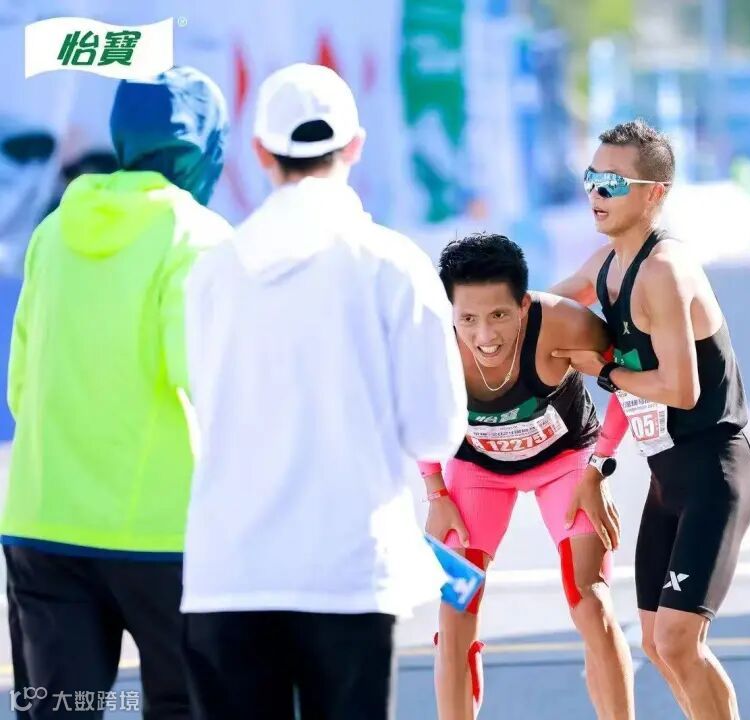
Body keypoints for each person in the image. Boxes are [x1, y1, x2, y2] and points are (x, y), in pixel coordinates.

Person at [179, 63, 467, 719]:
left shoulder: (212, 271)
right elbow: (435, 429)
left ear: (261, 152)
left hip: (227, 573)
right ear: (355, 146)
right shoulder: (392, 264)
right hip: (346, 572)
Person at [2, 66, 231, 719]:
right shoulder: (199, 237)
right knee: (186, 706)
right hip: (165, 534)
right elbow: (212, 383)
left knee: (58, 709)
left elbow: (21, 385)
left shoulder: (52, 232)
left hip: (43, 524)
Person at [551, 119, 750, 720]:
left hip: (715, 473)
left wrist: (604, 370)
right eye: (591, 178)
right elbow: (538, 312)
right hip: (666, 480)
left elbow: (679, 388)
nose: (596, 192)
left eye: (613, 182)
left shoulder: (664, 270)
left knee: (677, 641)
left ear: (654, 194)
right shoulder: (606, 265)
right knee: (655, 641)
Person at [423, 232, 635, 720]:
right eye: (468, 319)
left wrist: (599, 468)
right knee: (455, 612)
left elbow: (632, 382)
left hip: (567, 465)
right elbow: (410, 413)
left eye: (499, 315)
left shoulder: (563, 323)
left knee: (591, 604)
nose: (485, 336)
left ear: (523, 304)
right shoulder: (430, 343)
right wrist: (435, 491)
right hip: (476, 472)